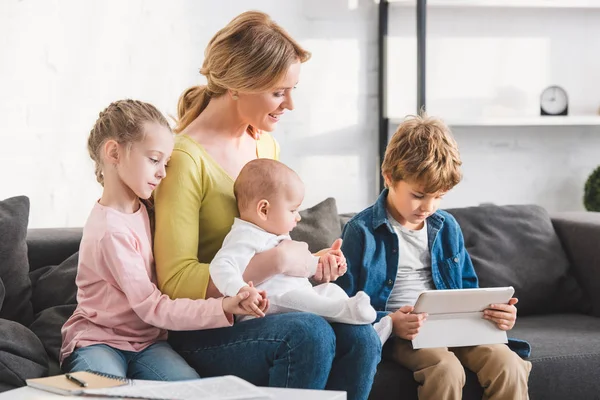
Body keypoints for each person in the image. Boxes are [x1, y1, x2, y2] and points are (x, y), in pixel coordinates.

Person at [153, 11, 381, 399]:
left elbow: (271, 240)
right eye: (279, 92)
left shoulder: (264, 144)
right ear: (239, 86)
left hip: (267, 309)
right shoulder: (185, 161)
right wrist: (275, 263)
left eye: (291, 90)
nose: (290, 104)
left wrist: (311, 265)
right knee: (309, 334)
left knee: (362, 338)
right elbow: (173, 283)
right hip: (209, 326)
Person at [336, 114, 532, 400]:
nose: (428, 207)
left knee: (509, 364)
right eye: (418, 195)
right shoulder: (361, 231)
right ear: (389, 177)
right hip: (403, 334)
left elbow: (467, 288)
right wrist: (389, 320)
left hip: (455, 326)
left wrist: (495, 314)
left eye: (439, 196)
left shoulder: (447, 226)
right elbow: (343, 304)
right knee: (446, 369)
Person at [60, 99, 253, 380]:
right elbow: (152, 306)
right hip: (98, 341)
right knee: (103, 390)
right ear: (114, 152)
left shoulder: (147, 209)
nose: (163, 173)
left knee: (191, 390)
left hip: (148, 343)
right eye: (154, 160)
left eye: (166, 162)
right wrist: (222, 306)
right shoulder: (110, 230)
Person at [210, 159, 391, 334]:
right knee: (303, 299)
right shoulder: (245, 235)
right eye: (292, 210)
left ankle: (372, 329)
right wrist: (240, 291)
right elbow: (221, 265)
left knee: (330, 290)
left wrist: (321, 262)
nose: (298, 217)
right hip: (269, 305)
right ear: (263, 210)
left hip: (294, 296)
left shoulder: (274, 234)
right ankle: (351, 312)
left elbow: (295, 268)